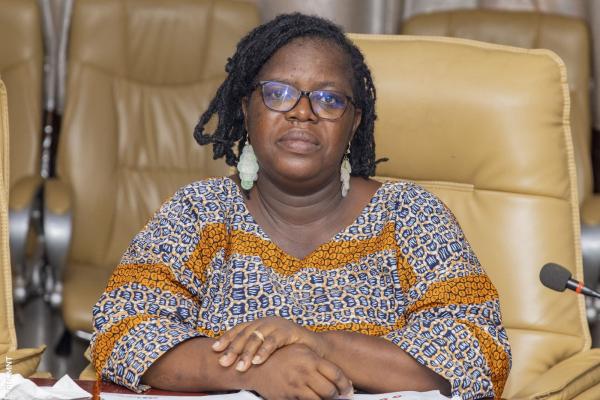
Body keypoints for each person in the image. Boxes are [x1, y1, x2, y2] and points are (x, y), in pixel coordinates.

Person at [90, 13, 511, 400]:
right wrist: (258, 371)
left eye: (329, 100)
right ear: (246, 108)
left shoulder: (410, 216)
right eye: (278, 93)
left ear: (354, 122)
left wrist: (321, 346)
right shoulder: (199, 212)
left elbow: (480, 352)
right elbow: (121, 330)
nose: (303, 113)